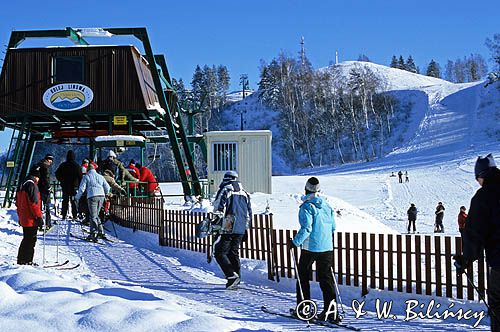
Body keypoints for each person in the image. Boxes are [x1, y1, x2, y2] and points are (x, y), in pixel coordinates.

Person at [456, 154, 500, 331]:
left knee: (497, 303)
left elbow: (475, 232)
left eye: (478, 180)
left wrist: (466, 259)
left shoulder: (484, 196)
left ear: (481, 176)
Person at [289, 177, 338, 323]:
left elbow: (307, 228)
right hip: (327, 247)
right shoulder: (327, 206)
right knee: (326, 279)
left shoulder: (307, 207)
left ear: (306, 189)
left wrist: (295, 242)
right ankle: (332, 312)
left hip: (310, 248)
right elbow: (333, 227)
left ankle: (304, 310)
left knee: (302, 277)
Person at [212, 171, 252, 289]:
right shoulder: (245, 193)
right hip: (241, 227)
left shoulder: (226, 190)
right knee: (233, 253)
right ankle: (236, 278)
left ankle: (231, 276)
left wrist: (216, 224)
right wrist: (246, 228)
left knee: (219, 252)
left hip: (228, 225)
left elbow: (219, 208)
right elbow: (249, 212)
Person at [75, 163, 111, 242]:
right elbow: (108, 187)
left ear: (88, 169)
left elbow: (81, 189)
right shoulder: (100, 176)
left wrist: (77, 197)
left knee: (93, 216)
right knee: (96, 215)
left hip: (92, 196)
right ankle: (101, 231)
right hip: (101, 196)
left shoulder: (86, 177)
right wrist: (105, 193)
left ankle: (93, 233)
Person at [16, 166, 44, 265]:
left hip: (24, 217)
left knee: (26, 239)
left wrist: (20, 217)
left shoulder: (22, 185)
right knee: (31, 240)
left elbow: (18, 204)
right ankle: (27, 260)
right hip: (31, 219)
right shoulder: (32, 186)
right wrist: (39, 217)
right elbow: (34, 204)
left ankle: (21, 259)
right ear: (36, 177)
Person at [55, 150, 82, 220]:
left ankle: (64, 215)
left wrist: (61, 180)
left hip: (65, 186)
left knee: (65, 201)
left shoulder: (63, 165)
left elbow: (57, 173)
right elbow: (80, 176)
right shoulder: (77, 166)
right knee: (73, 201)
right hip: (74, 187)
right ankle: (75, 215)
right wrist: (78, 184)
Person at [35, 154, 54, 228]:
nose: (51, 162)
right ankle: (48, 223)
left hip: (37, 189)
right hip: (44, 190)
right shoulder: (45, 167)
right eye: (50, 160)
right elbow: (45, 178)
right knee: (47, 207)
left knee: (38, 207)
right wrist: (48, 187)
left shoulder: (39, 165)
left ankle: (39, 223)